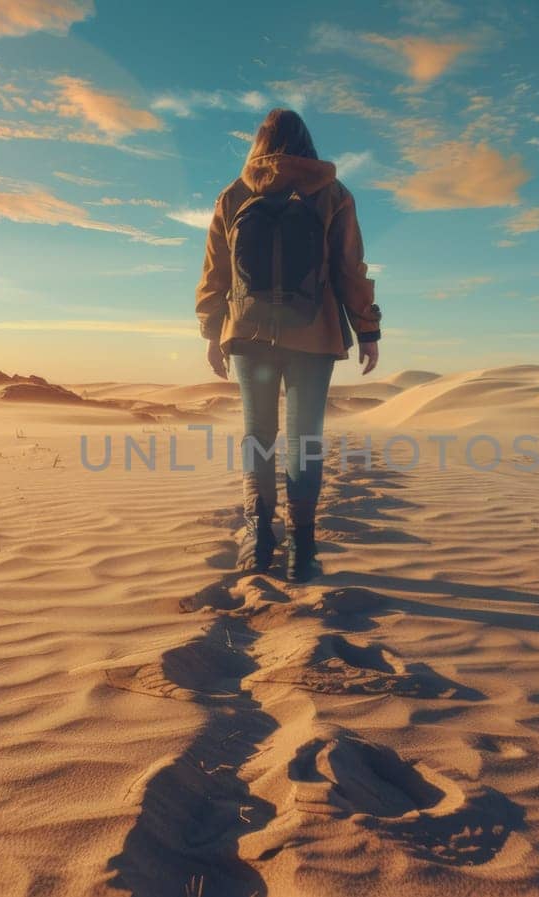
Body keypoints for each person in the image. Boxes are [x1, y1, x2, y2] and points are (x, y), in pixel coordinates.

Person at [195, 108, 382, 583]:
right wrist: (367, 330)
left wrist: (212, 332)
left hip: (248, 334)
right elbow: (349, 268)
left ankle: (258, 538)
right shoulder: (332, 193)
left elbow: (216, 273)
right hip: (313, 335)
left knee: (257, 436)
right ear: (308, 143)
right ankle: (302, 547)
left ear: (259, 142)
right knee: (305, 441)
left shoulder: (235, 194)